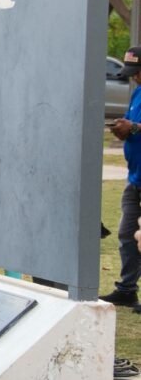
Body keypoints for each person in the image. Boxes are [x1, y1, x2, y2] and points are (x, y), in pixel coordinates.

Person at [101, 45, 141, 315]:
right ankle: (127, 289)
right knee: (128, 235)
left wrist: (134, 127)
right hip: (135, 177)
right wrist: (123, 128)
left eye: (137, 71)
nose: (134, 77)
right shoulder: (137, 92)